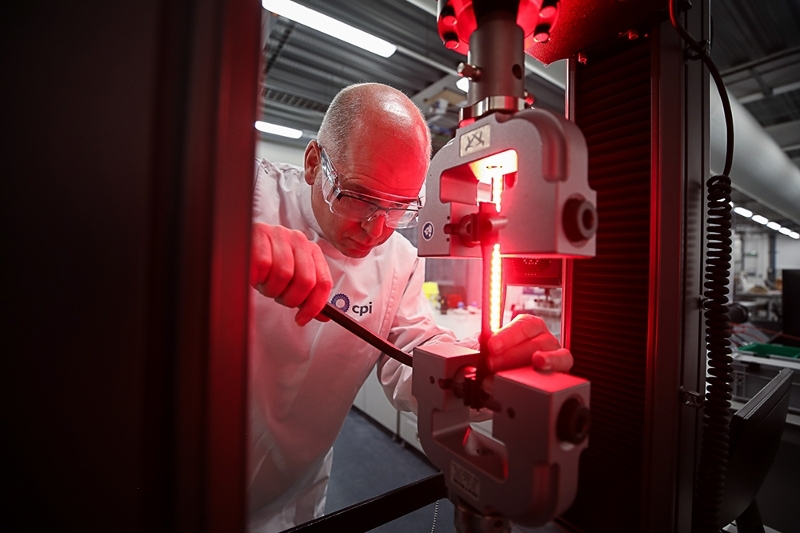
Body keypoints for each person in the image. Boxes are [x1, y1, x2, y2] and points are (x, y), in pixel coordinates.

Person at [247, 82, 572, 532]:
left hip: (291, 500)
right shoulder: (246, 200)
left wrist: (488, 371)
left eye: (399, 206)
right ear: (312, 164)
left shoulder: (398, 263)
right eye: (358, 196)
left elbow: (413, 365)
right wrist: (229, 247)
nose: (375, 229)